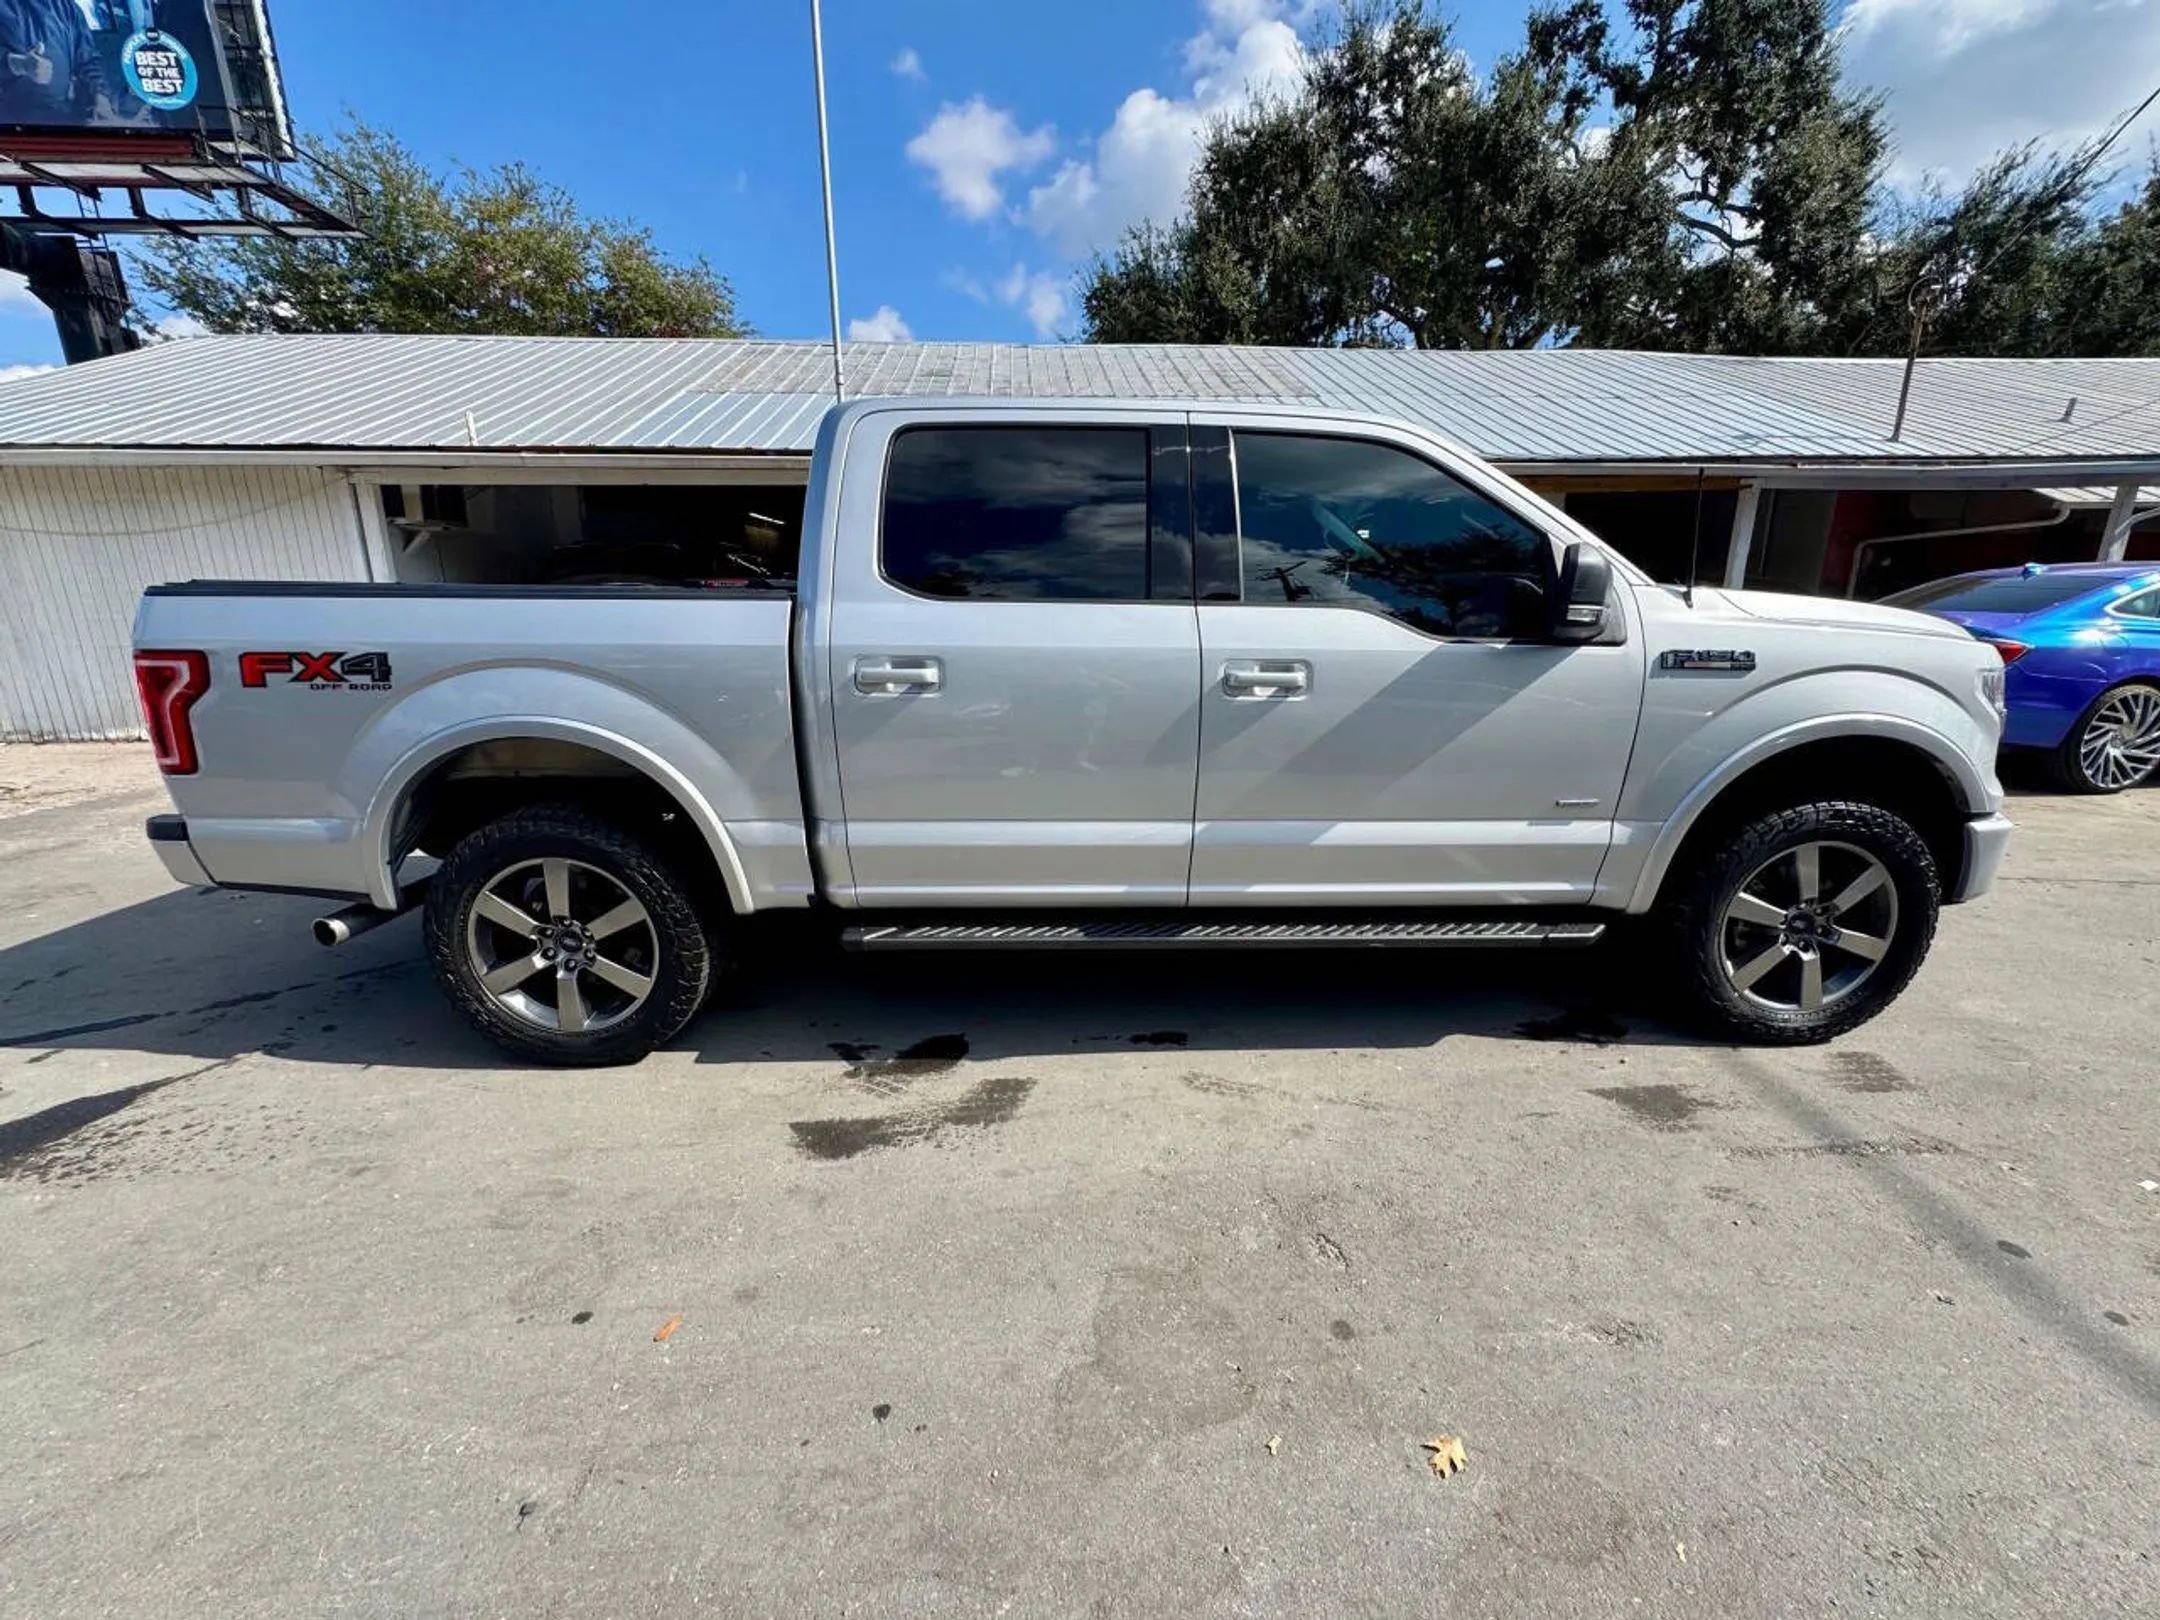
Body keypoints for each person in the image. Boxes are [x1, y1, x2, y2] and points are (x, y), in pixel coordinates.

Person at [0, 0, 106, 127]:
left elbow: (88, 62)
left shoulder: (69, 8)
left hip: (59, 121)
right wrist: (18, 64)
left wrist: (99, 94)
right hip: (10, 124)